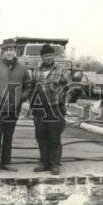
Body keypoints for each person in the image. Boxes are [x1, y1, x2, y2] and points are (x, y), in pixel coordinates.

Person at [0, 38, 32, 172]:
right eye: (7, 50)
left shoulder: (22, 68)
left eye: (12, 50)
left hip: (14, 107)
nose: (9, 53)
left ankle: (6, 162)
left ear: (15, 51)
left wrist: (22, 97)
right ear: (3, 52)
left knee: (9, 135)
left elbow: (29, 85)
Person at [29, 43, 69, 175]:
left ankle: (55, 164)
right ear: (42, 57)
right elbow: (31, 89)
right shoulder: (36, 71)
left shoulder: (61, 70)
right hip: (39, 109)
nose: (48, 58)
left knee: (54, 135)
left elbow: (67, 88)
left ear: (54, 56)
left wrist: (64, 105)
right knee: (41, 135)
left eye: (51, 55)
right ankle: (43, 162)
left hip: (55, 108)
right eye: (46, 55)